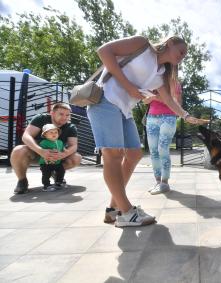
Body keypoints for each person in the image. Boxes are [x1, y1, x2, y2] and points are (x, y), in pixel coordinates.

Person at [88, 35, 208, 227]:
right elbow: (104, 51)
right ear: (169, 43)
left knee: (134, 155)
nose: (183, 57)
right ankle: (126, 212)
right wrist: (129, 87)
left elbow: (169, 101)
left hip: (124, 110)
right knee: (113, 155)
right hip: (105, 100)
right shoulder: (143, 45)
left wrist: (186, 116)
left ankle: (113, 210)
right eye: (181, 51)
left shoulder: (160, 75)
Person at [11, 102, 82, 194]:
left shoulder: (70, 127)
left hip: (57, 158)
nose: (65, 117)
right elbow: (26, 136)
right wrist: (40, 151)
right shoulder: (41, 119)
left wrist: (63, 154)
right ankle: (22, 181)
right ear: (52, 113)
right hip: (36, 153)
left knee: (76, 158)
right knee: (18, 150)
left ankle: (54, 172)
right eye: (61, 114)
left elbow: (74, 145)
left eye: (67, 115)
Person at [145, 79, 182, 195]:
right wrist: (162, 98)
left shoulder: (174, 83)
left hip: (168, 117)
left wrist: (155, 97)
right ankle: (157, 182)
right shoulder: (150, 81)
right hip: (151, 118)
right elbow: (144, 100)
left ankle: (164, 183)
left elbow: (177, 103)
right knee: (153, 152)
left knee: (162, 149)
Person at [38, 124, 66, 192]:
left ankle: (59, 182)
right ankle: (46, 185)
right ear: (45, 135)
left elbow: (62, 150)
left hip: (57, 162)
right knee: (46, 174)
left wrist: (63, 155)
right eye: (51, 132)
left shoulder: (60, 142)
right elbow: (41, 151)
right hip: (46, 163)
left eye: (56, 132)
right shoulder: (43, 143)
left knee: (61, 170)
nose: (54, 134)